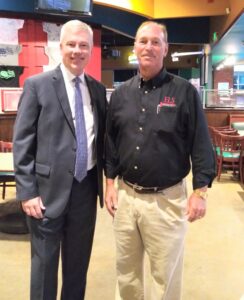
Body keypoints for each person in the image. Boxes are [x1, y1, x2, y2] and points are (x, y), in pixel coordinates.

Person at [105, 21, 216, 300]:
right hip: (127, 199)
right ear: (135, 47)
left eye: (156, 42)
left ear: (165, 49)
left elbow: (201, 143)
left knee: (165, 278)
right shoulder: (120, 95)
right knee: (127, 276)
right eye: (143, 41)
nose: (149, 47)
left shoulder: (184, 92)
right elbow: (111, 144)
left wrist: (200, 192)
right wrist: (109, 183)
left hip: (166, 201)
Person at [13, 20, 107, 300]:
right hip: (45, 193)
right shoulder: (37, 86)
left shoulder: (98, 90)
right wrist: (27, 191)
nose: (77, 51)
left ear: (90, 50)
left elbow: (102, 140)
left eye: (83, 46)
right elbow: (22, 141)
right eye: (71, 44)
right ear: (60, 46)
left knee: (78, 267)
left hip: (85, 190)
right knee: (44, 266)